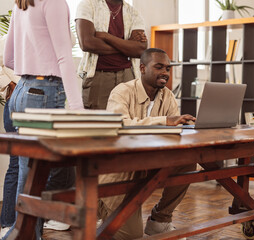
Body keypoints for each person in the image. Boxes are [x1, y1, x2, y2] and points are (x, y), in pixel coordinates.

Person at [3, 0, 84, 239]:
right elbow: (64, 59)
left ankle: (22, 233)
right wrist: (78, 110)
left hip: (21, 91)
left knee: (26, 172)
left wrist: (32, 68)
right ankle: (25, 235)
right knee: (34, 178)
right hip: (44, 93)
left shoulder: (22, 2)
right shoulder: (54, 2)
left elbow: (8, 59)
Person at [98, 48, 196, 239]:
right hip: (118, 174)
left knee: (187, 161)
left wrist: (187, 126)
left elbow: (174, 132)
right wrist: (165, 121)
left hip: (147, 164)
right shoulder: (122, 91)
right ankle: (100, 213)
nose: (165, 73)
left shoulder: (167, 96)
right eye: (159, 67)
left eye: (168, 68)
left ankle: (160, 221)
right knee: (132, 236)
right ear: (142, 68)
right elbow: (120, 125)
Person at [76, 0, 147, 110]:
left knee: (127, 122)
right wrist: (126, 44)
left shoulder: (133, 12)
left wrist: (106, 37)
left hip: (127, 76)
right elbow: (86, 43)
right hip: (99, 76)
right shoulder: (88, 5)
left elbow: (140, 50)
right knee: (98, 123)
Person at [0, 35, 20, 238]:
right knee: (16, 164)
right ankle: (7, 222)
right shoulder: (6, 39)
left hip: (40, 100)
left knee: (37, 164)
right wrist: (11, 83)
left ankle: (31, 222)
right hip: (15, 101)